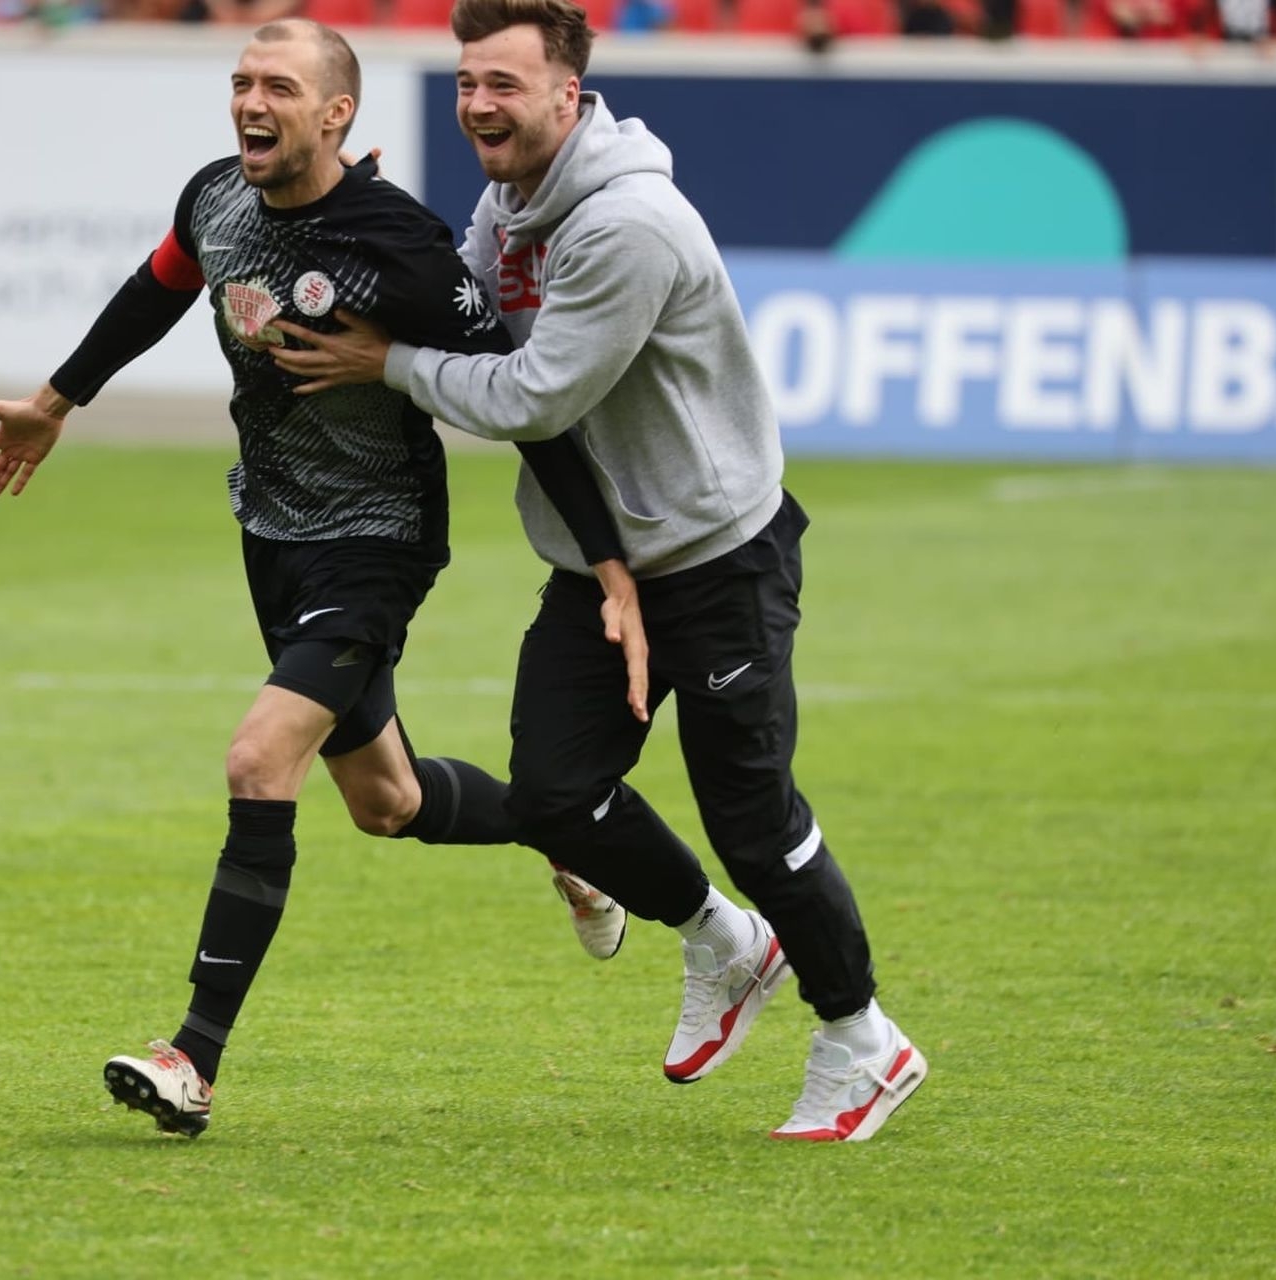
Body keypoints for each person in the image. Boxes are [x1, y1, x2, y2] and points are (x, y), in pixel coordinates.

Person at [0, 18, 651, 1139]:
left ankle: (192, 1058)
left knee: (258, 756)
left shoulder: (400, 248)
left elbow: (529, 404)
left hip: (377, 538)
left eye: (278, 85)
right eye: (241, 81)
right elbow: (158, 285)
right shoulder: (217, 197)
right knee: (389, 803)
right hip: (272, 532)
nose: (250, 101)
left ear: (337, 115)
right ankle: (565, 834)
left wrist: (610, 565)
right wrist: (55, 400)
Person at [272, 0, 926, 1142]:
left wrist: (389, 362)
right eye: (467, 81)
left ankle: (864, 1038)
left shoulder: (629, 225)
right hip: (601, 566)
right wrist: (362, 228)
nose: (479, 104)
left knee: (755, 821)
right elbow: (462, 309)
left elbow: (533, 394)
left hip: (716, 558)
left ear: (568, 97)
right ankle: (726, 942)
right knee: (554, 798)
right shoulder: (508, 201)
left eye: (505, 85)